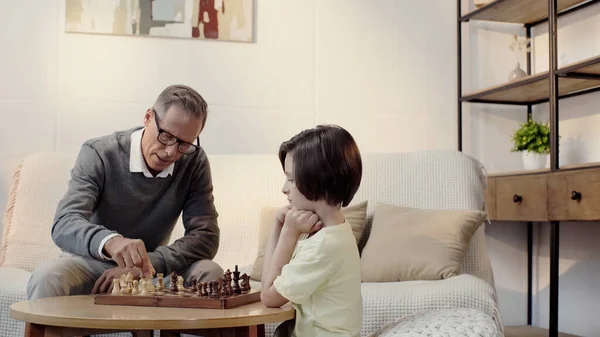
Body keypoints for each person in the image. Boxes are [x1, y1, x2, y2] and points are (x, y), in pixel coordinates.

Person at [27, 84, 223, 299]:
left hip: (149, 270)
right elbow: (64, 223)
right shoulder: (99, 152)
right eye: (166, 136)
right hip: (92, 264)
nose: (171, 152)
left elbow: (205, 236)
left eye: (184, 144)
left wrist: (147, 264)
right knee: (47, 276)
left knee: (209, 272)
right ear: (148, 117)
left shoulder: (193, 161)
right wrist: (111, 242)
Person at [260, 125, 363, 337]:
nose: (284, 188)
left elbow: (269, 297)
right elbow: (268, 286)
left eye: (291, 178)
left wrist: (288, 232)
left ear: (318, 180)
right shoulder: (334, 232)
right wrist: (279, 227)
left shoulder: (325, 246)